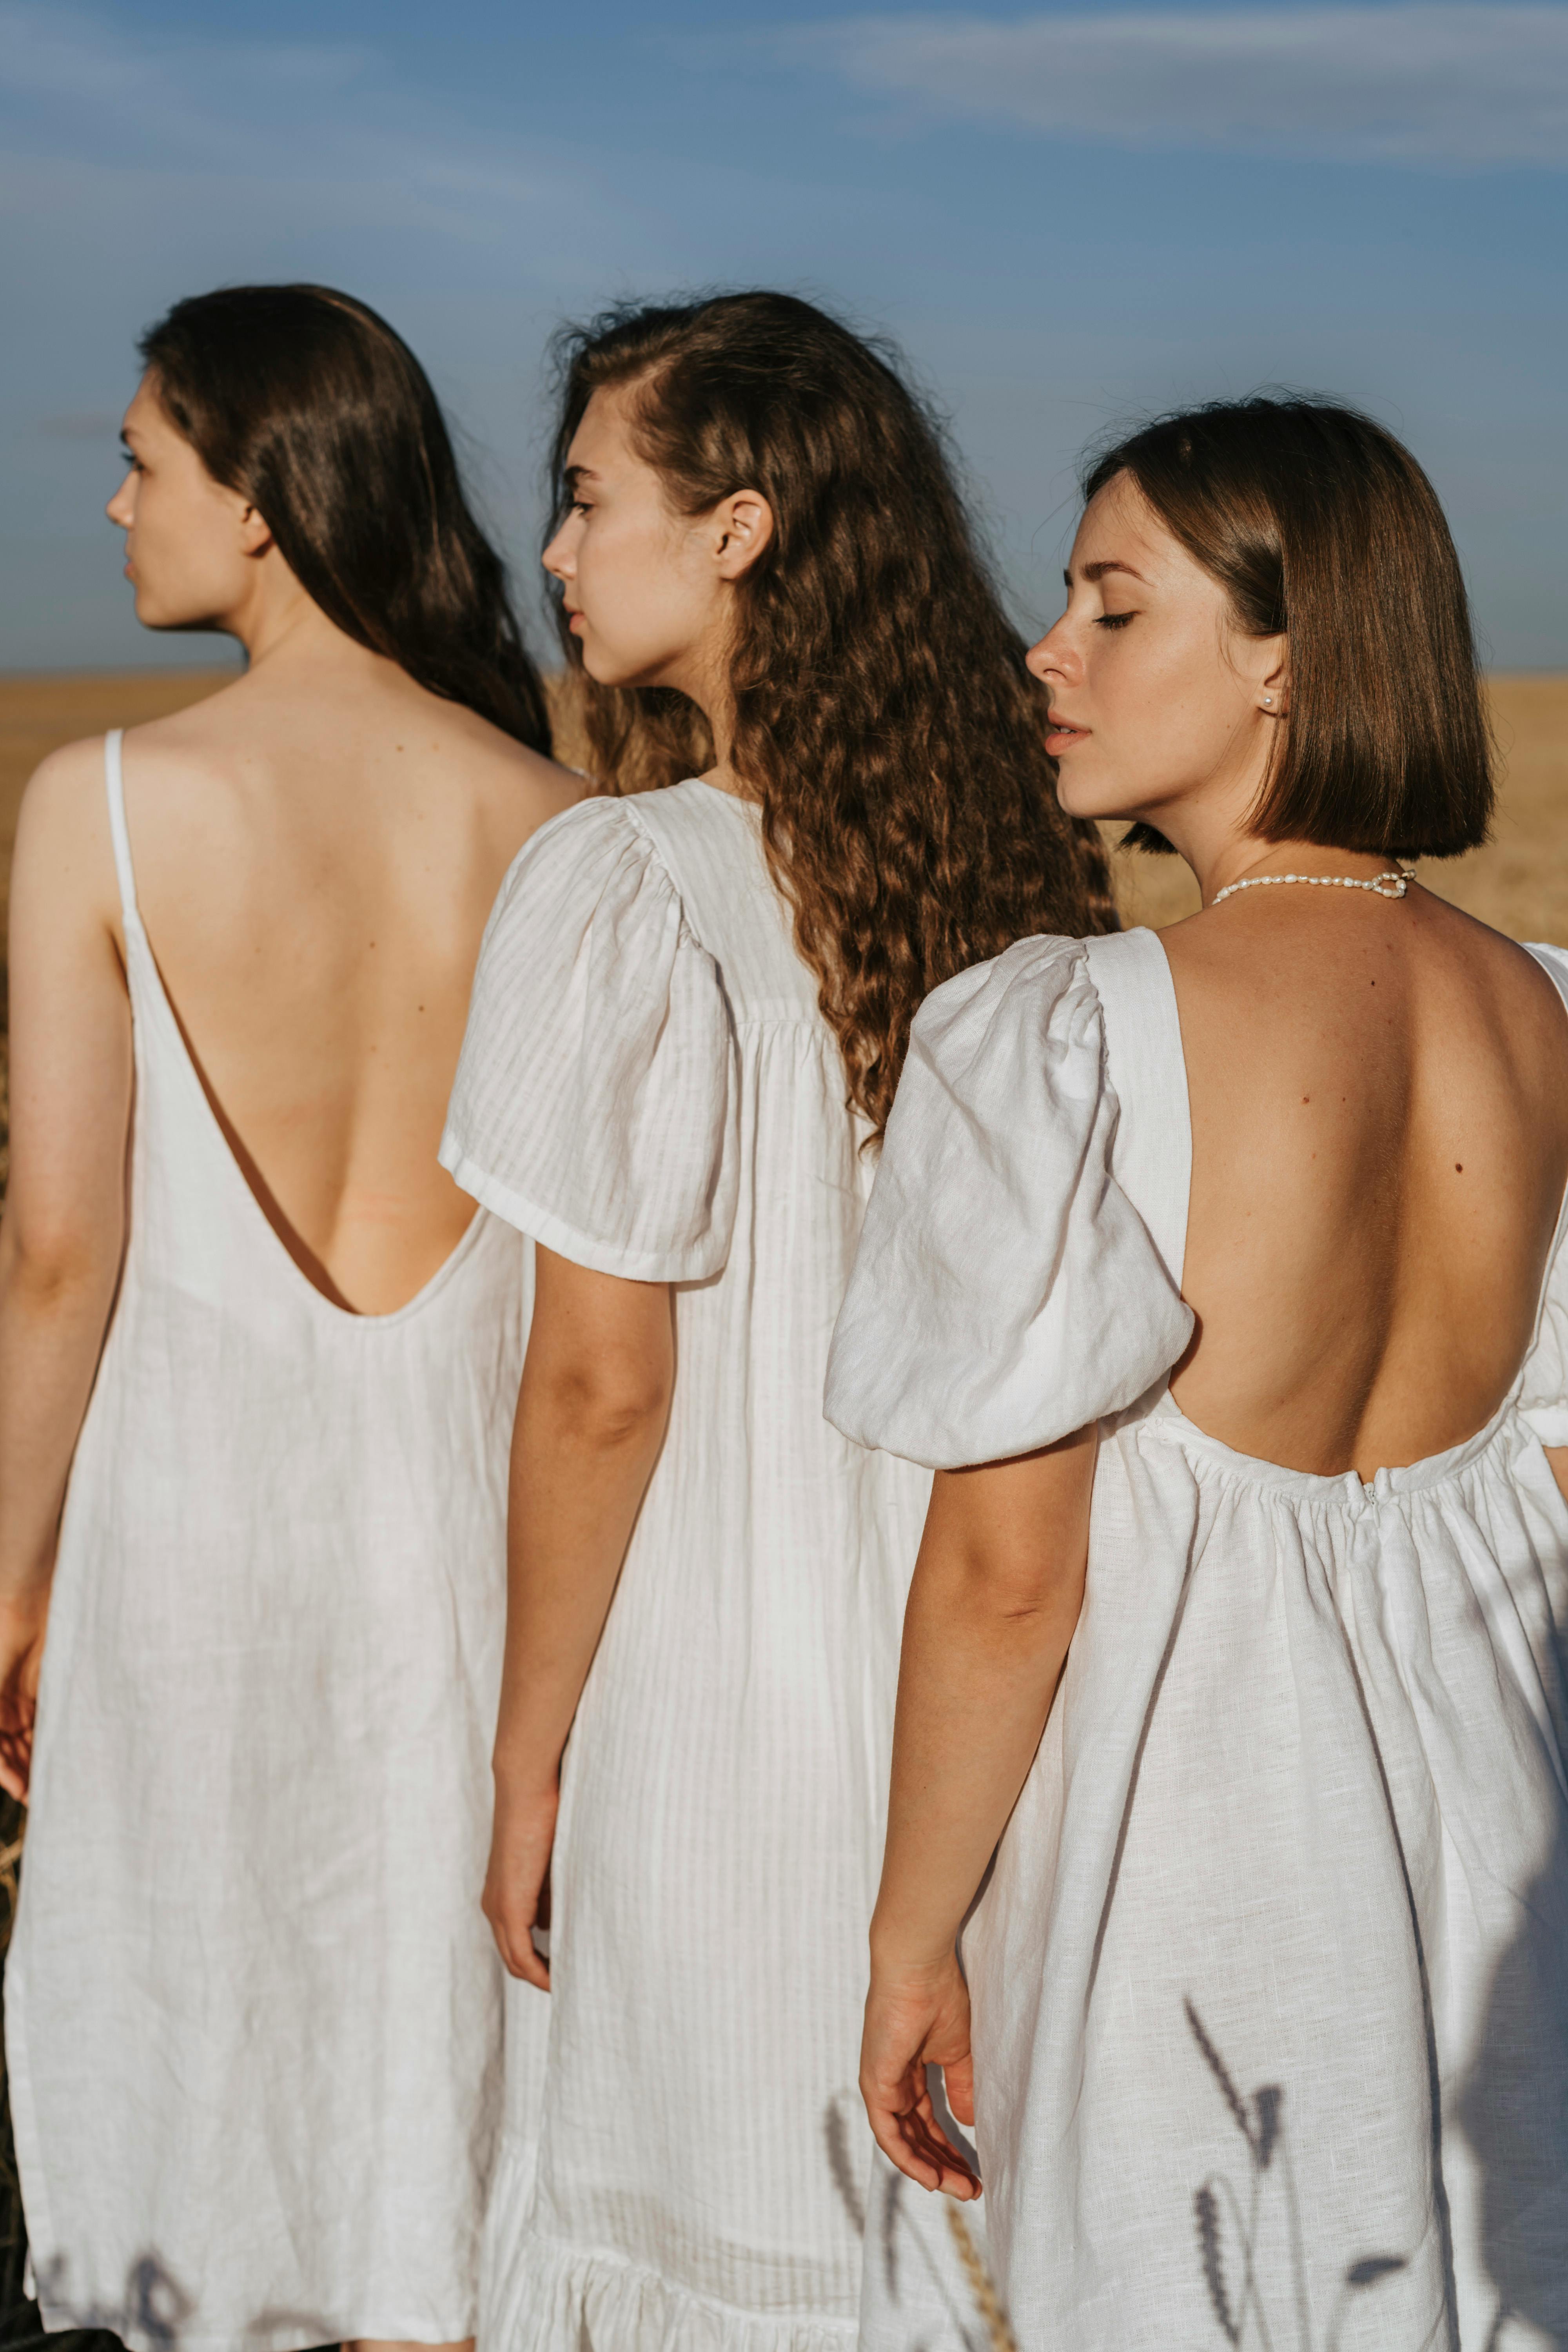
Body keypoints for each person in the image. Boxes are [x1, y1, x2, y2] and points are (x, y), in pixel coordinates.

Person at [827, 394, 1568, 2348]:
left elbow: (1009, 1572)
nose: (1044, 654)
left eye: (1111, 605)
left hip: (1195, 1843)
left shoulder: (1058, 1031)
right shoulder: (1546, 1014)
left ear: (1283, 656)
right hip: (1494, 1832)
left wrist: (913, 1937)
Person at [437, 290, 1117, 2351]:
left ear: (736, 530)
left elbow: (599, 1383)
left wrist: (531, 1755)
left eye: (583, 499)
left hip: (717, 1699)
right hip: (983, 1694)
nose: (550, 554)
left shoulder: (624, 878)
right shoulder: (1020, 877)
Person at [0, 284, 580, 2352]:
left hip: (193, 1529)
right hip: (460, 1541)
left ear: (258, 498)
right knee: (430, 2102)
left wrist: (7, 1578)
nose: (110, 500)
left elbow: (59, 1256)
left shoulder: (106, 802)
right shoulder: (552, 824)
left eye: (144, 457)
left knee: (205, 2082)